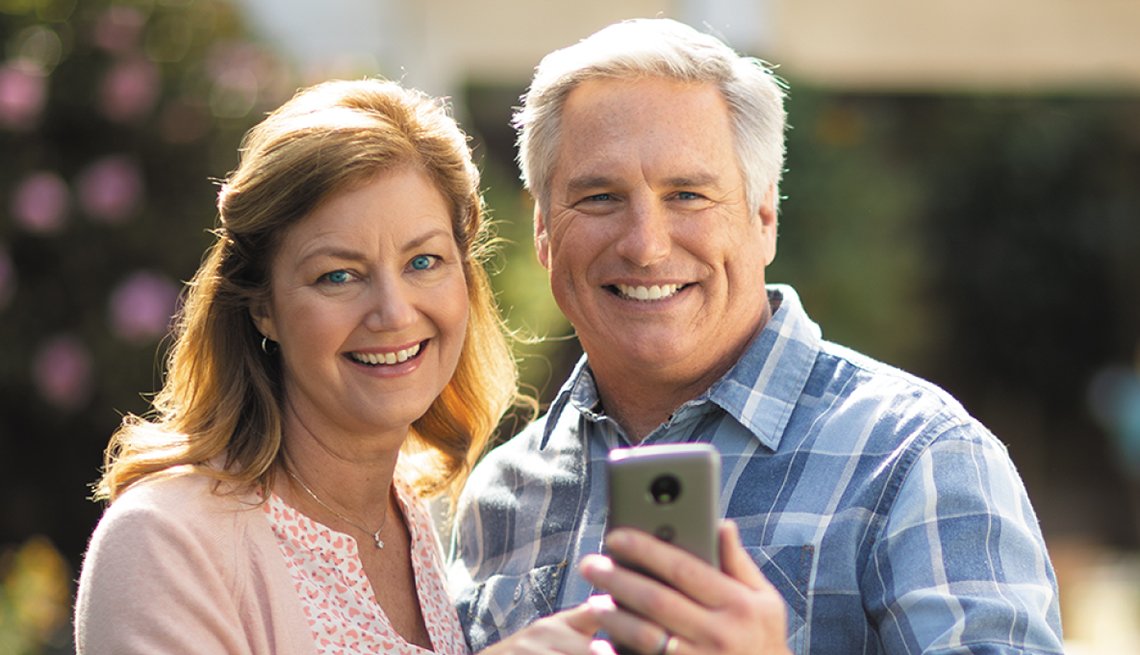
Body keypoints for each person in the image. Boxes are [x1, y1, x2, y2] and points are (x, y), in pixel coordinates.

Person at [449, 18, 1065, 655]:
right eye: (601, 197)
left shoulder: (916, 458)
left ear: (763, 217)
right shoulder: (503, 496)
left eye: (687, 194)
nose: (645, 245)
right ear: (545, 235)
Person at [73, 78, 602, 654]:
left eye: (423, 261)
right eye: (338, 276)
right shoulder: (166, 540)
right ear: (263, 307)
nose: (394, 313)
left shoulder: (416, 517)